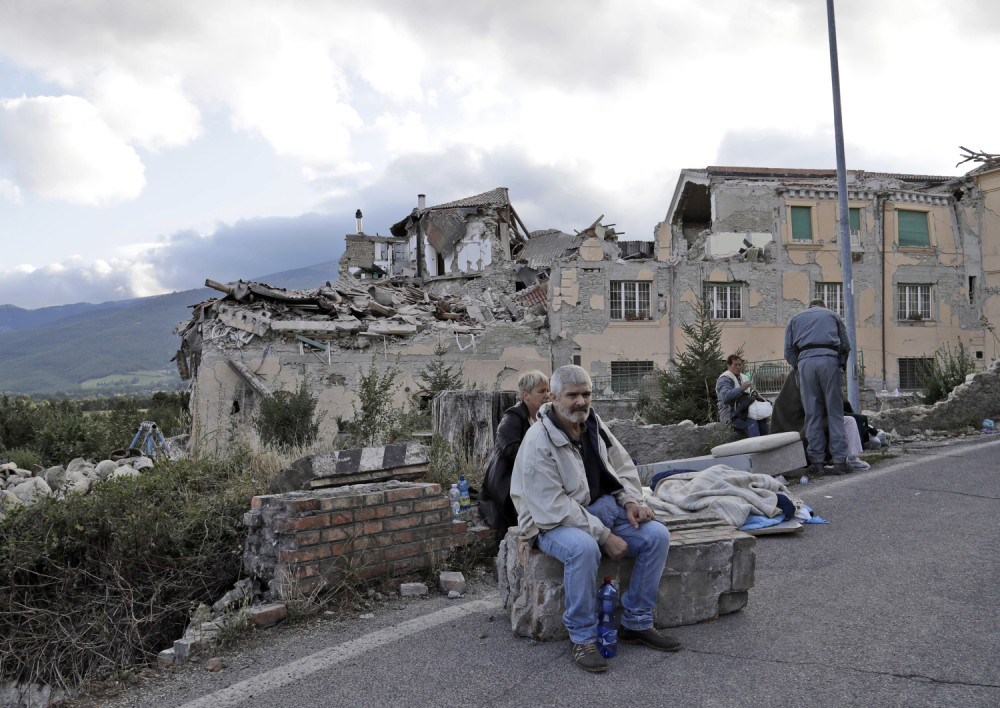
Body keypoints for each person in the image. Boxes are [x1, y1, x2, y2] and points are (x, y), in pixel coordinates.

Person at [510, 365, 680, 673]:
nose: (580, 401)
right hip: (547, 522)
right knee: (584, 548)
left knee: (657, 536)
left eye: (586, 394)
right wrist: (604, 535)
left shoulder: (592, 423)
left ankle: (636, 622)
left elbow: (621, 465)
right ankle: (582, 637)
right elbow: (552, 506)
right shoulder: (539, 440)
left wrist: (631, 501)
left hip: (595, 510)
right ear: (554, 397)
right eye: (572, 395)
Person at [478, 370, 550, 538]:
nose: (547, 395)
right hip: (508, 479)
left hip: (534, 475)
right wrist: (543, 461)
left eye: (548, 390)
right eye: (541, 391)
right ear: (526, 395)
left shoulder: (546, 416)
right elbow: (510, 451)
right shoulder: (512, 417)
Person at [784, 298, 852, 476]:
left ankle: (817, 462)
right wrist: (840, 365)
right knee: (835, 413)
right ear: (824, 306)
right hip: (829, 360)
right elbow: (845, 345)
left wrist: (799, 366)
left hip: (806, 362)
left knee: (812, 414)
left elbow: (788, 351)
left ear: (809, 307)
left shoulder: (795, 319)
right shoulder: (833, 316)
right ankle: (840, 462)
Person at [716, 354, 770, 437]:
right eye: (735, 365)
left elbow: (749, 390)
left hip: (744, 411)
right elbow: (725, 397)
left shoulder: (742, 377)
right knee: (752, 423)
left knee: (762, 420)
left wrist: (753, 393)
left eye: (740, 364)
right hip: (731, 415)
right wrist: (741, 388)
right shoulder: (725, 379)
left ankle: (767, 444)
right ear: (729, 366)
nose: (738, 367)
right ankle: (755, 445)